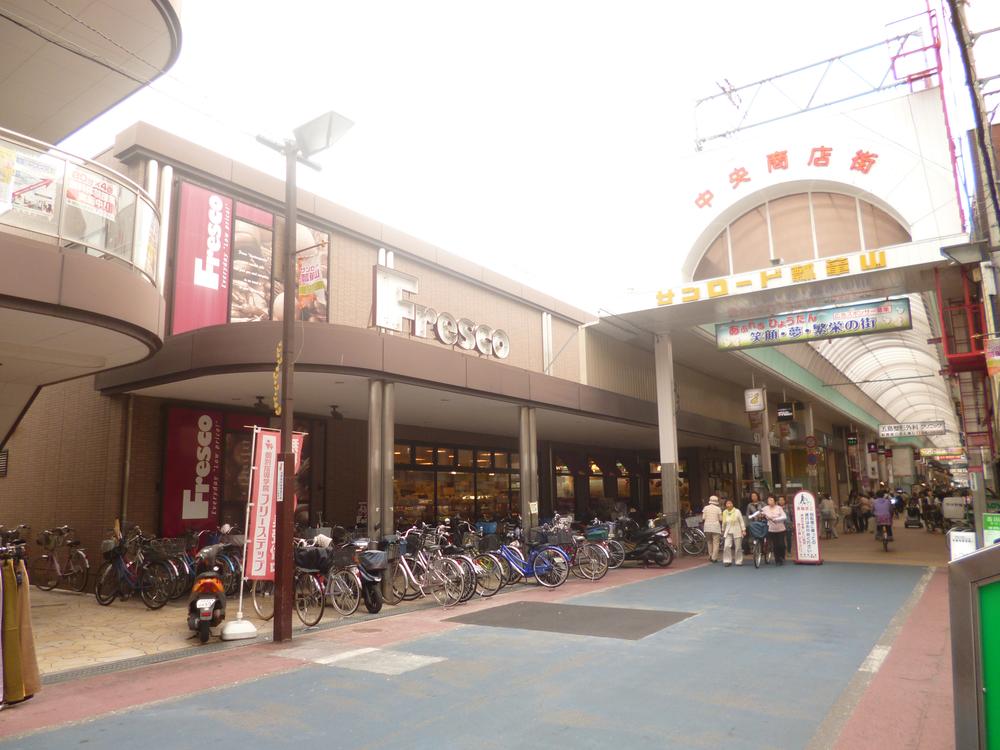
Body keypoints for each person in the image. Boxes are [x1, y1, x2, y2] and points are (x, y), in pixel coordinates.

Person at [759, 494, 788, 565]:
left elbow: (784, 516)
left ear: (775, 501)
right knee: (775, 545)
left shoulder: (779, 508)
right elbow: (760, 513)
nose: (770, 501)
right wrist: (760, 515)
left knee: (781, 544)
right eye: (768, 500)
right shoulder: (765, 508)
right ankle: (777, 560)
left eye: (771, 500)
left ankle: (782, 556)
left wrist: (776, 519)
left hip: (781, 529)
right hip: (771, 530)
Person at [721, 498, 745, 566]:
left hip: (737, 530)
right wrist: (722, 530)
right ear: (725, 505)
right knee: (726, 546)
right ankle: (727, 561)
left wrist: (743, 530)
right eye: (727, 503)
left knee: (738, 547)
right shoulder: (724, 512)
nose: (729, 505)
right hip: (728, 531)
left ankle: (739, 561)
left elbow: (741, 521)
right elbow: (723, 522)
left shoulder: (737, 511)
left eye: (730, 503)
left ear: (733, 504)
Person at [702, 495, 723, 563]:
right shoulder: (718, 509)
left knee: (709, 542)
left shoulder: (705, 508)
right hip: (715, 527)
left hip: (707, 527)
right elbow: (720, 519)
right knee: (716, 543)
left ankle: (710, 555)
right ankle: (714, 558)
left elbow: (703, 518)